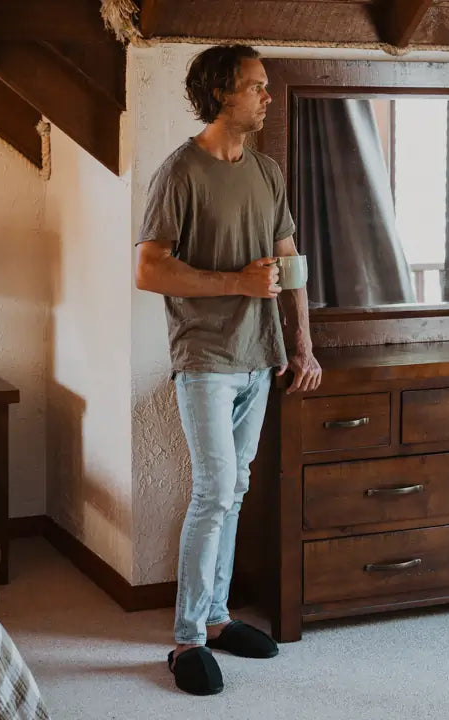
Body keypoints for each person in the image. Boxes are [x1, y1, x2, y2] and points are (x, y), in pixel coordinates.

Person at [135, 44, 321, 696]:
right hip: (205, 362)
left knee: (234, 489)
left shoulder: (266, 172)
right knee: (216, 490)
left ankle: (216, 620)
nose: (267, 96)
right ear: (221, 93)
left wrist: (304, 342)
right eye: (256, 86)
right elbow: (148, 268)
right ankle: (186, 639)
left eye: (267, 87)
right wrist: (235, 284)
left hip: (259, 358)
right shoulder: (178, 173)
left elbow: (290, 262)